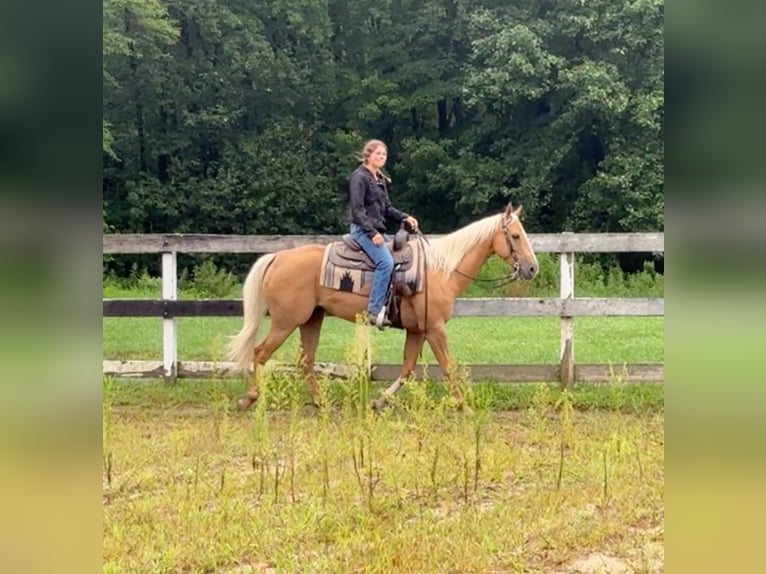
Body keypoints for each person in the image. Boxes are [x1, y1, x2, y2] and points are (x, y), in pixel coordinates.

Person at [348, 139, 419, 329]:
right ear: (368, 155)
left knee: (401, 256)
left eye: (384, 154)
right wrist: (371, 233)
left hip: (377, 230)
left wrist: (405, 217)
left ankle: (392, 305)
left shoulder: (379, 179)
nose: (381, 157)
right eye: (378, 154)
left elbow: (387, 208)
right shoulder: (360, 177)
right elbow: (357, 210)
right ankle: (373, 310)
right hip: (362, 230)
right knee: (385, 262)